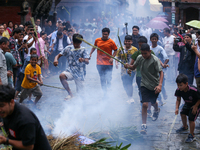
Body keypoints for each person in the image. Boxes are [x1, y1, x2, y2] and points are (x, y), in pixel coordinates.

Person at [125, 43, 163, 134]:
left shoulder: (155, 60)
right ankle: (144, 125)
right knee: (145, 104)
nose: (143, 55)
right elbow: (133, 67)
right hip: (144, 84)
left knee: (153, 102)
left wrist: (160, 85)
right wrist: (128, 66)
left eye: (145, 53)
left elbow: (161, 72)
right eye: (142, 53)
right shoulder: (139, 58)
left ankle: (156, 109)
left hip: (154, 85)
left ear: (149, 51)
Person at [0, 85, 52, 150]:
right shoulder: (6, 112)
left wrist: (6, 141)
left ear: (12, 102)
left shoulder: (25, 119)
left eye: (1, 105)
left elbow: (28, 147)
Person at [54, 33, 89, 100]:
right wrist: (56, 60)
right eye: (74, 43)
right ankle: (70, 94)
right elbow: (58, 55)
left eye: (77, 44)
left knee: (81, 95)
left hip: (80, 73)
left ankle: (81, 106)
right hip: (70, 70)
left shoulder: (84, 49)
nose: (75, 45)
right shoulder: (68, 48)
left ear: (81, 42)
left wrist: (83, 59)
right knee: (62, 76)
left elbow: (87, 61)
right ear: (72, 41)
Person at [90, 27, 118, 95]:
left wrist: (112, 58)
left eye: (106, 34)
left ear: (108, 34)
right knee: (102, 78)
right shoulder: (97, 40)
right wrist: (90, 53)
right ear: (101, 33)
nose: (104, 35)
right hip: (99, 63)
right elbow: (94, 47)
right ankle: (105, 93)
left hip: (109, 63)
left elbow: (115, 50)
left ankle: (109, 85)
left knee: (108, 78)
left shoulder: (111, 42)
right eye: (103, 34)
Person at [175, 74, 200, 143]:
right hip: (187, 103)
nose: (179, 87)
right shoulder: (178, 90)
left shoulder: (193, 90)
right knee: (182, 113)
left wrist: (195, 106)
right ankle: (185, 126)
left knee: (191, 118)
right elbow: (178, 99)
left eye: (181, 85)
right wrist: (176, 108)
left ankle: (192, 135)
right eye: (178, 85)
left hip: (196, 104)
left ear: (186, 84)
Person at [115, 35, 138, 104]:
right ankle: (129, 97)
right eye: (126, 41)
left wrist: (133, 66)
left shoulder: (135, 49)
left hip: (132, 69)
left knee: (129, 82)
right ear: (124, 41)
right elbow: (117, 57)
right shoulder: (121, 49)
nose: (127, 42)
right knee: (124, 83)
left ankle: (131, 98)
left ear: (131, 42)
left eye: (129, 41)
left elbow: (137, 59)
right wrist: (116, 63)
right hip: (123, 69)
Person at [150, 33, 169, 104]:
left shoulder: (160, 48)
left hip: (160, 69)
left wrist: (164, 64)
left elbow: (166, 58)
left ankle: (163, 92)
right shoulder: (149, 48)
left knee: (161, 84)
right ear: (150, 40)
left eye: (155, 39)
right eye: (153, 39)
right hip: (151, 70)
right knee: (155, 85)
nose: (154, 40)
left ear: (157, 40)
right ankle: (159, 99)